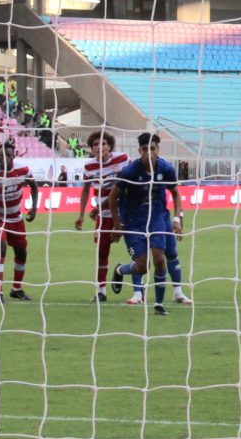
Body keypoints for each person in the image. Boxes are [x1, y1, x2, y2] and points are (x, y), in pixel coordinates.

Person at [108, 132, 189, 313]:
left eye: (152, 149)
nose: (148, 153)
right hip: (134, 222)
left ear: (157, 150)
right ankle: (120, 270)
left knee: (160, 259)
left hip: (157, 218)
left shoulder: (166, 169)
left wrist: (177, 219)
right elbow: (113, 198)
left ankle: (159, 305)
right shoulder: (129, 172)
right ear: (140, 151)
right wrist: (118, 225)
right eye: (145, 149)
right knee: (142, 267)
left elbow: (176, 194)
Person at [0, 138, 38, 303]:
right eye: (1, 156)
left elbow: (34, 186)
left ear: (13, 155)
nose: (5, 158)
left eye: (8, 155)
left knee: (22, 252)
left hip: (16, 218)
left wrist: (34, 209)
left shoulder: (23, 170)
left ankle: (17, 288)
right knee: (2, 248)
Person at [77, 130, 128, 302]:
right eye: (95, 145)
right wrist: (81, 215)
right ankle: (101, 290)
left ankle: (138, 291)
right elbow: (85, 190)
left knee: (138, 249)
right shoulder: (89, 167)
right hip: (104, 216)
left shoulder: (122, 159)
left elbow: (124, 186)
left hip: (125, 213)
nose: (99, 147)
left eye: (103, 143)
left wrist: (99, 207)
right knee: (101, 252)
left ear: (110, 146)